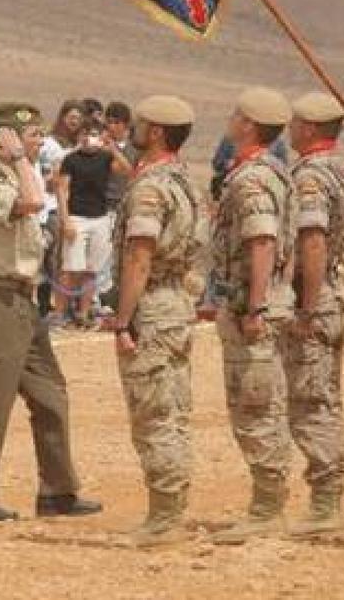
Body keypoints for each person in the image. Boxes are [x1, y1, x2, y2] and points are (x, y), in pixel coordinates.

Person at [0, 102, 101, 522]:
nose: (39, 140)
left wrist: (23, 163)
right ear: (6, 139)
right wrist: (17, 159)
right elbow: (33, 204)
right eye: (30, 134)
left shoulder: (20, 172)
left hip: (21, 299)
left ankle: (58, 490)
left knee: (50, 394)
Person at [109, 95, 210, 547]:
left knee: (153, 414)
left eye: (140, 123)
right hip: (177, 304)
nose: (133, 128)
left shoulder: (151, 187)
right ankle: (172, 509)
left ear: (156, 133)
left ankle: (164, 518)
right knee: (174, 410)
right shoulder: (185, 181)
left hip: (151, 306)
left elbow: (139, 255)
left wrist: (123, 318)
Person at [207, 88, 296, 546]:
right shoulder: (269, 172)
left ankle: (267, 507)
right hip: (260, 302)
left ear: (248, 125)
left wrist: (256, 305)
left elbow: (262, 242)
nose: (230, 119)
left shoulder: (252, 180)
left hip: (252, 307)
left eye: (236, 114)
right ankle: (269, 501)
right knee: (262, 403)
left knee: (255, 406)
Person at [283, 92, 344, 536]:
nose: (290, 129)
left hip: (314, 297)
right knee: (322, 398)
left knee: (313, 403)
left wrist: (306, 308)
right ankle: (326, 498)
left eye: (295, 123)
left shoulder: (311, 175)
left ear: (310, 129)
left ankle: (325, 503)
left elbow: (311, 242)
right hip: (331, 291)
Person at [55, 118, 132, 328]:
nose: (90, 138)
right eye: (86, 133)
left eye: (95, 133)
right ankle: (59, 313)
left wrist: (113, 149)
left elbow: (126, 170)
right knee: (70, 268)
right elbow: (62, 189)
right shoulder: (70, 159)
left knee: (92, 269)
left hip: (100, 217)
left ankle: (83, 312)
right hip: (76, 217)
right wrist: (65, 219)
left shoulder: (105, 158)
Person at [37, 99, 84, 319]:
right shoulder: (49, 144)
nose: (74, 122)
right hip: (53, 205)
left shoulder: (83, 146)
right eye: (71, 117)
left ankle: (70, 303)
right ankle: (46, 303)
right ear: (63, 117)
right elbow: (47, 176)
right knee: (51, 259)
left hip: (77, 205)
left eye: (78, 118)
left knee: (71, 260)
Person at [100, 101, 139, 312]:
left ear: (126, 125)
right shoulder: (100, 147)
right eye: (109, 122)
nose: (111, 127)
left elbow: (130, 171)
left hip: (126, 206)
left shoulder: (134, 149)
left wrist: (113, 151)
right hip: (104, 206)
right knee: (104, 255)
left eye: (116, 122)